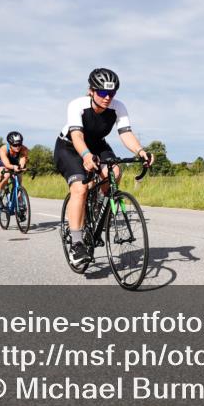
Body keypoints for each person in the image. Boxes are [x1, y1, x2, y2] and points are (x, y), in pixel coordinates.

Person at [55, 68, 153, 266]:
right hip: (70, 147)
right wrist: (85, 155)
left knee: (115, 171)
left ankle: (99, 205)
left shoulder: (118, 107)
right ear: (91, 91)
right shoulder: (78, 105)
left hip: (97, 145)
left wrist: (141, 151)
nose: (107, 97)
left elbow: (125, 133)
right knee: (80, 188)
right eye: (102, 93)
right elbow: (77, 136)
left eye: (112, 93)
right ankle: (77, 244)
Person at [0, 131, 29, 212]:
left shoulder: (24, 149)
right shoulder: (3, 149)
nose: (17, 147)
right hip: (0, 163)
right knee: (7, 174)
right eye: (15, 145)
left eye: (19, 144)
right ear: (9, 144)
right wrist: (14, 167)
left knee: (18, 181)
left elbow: (22, 161)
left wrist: (21, 167)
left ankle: (19, 202)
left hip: (13, 164)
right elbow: (7, 164)